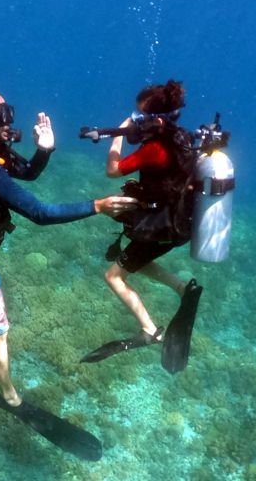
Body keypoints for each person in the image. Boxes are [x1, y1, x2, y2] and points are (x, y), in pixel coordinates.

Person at [0, 90, 137, 462]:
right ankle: (10, 398)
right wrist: (98, 206)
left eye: (9, 111)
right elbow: (40, 213)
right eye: (0, 114)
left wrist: (44, 150)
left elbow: (26, 172)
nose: (9, 121)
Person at [80, 79, 203, 374]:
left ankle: (149, 330)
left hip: (160, 228)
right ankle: (182, 287)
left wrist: (117, 134)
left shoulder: (155, 149)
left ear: (155, 119)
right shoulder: (182, 137)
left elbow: (112, 170)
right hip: (180, 224)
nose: (136, 122)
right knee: (135, 260)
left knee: (114, 276)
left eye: (139, 117)